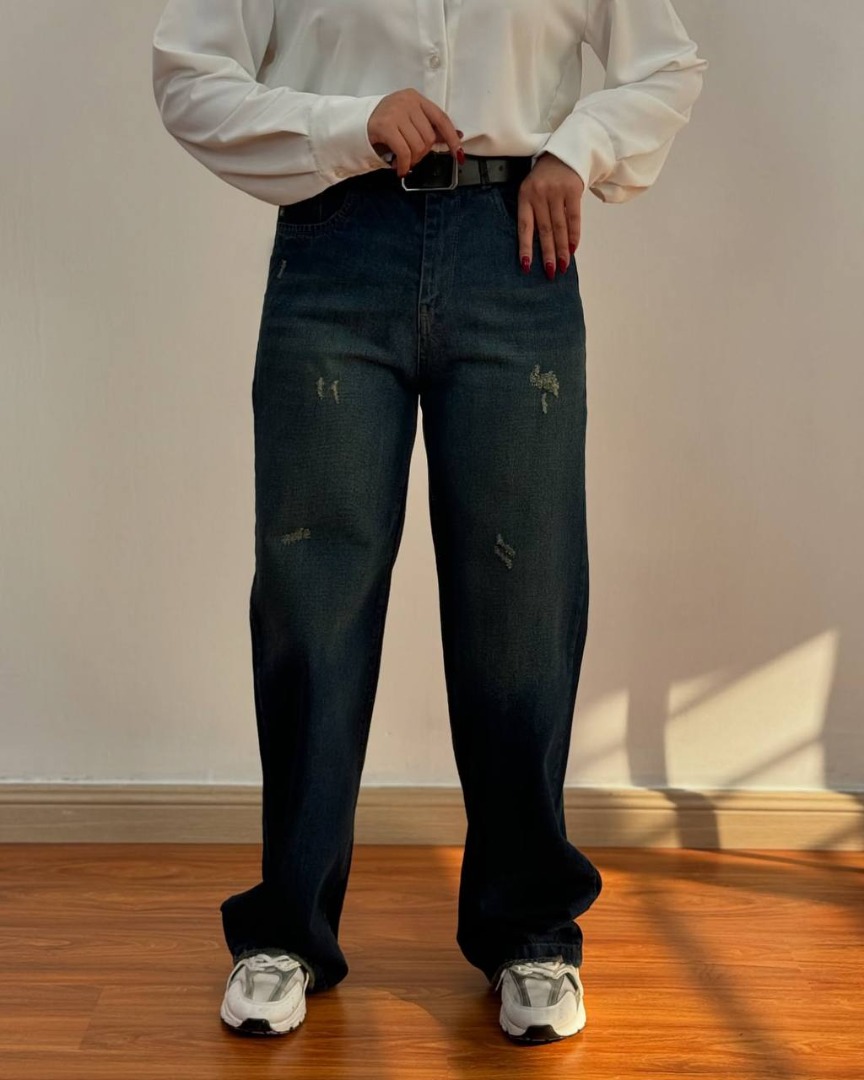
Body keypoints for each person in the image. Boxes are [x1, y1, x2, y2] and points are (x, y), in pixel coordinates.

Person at [152, 0, 707, 1045]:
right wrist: (349, 120)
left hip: (517, 249)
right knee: (311, 602)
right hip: (335, 246)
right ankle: (286, 931)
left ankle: (529, 932)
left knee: (523, 605)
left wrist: (576, 150)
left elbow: (668, 65)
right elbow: (188, 75)